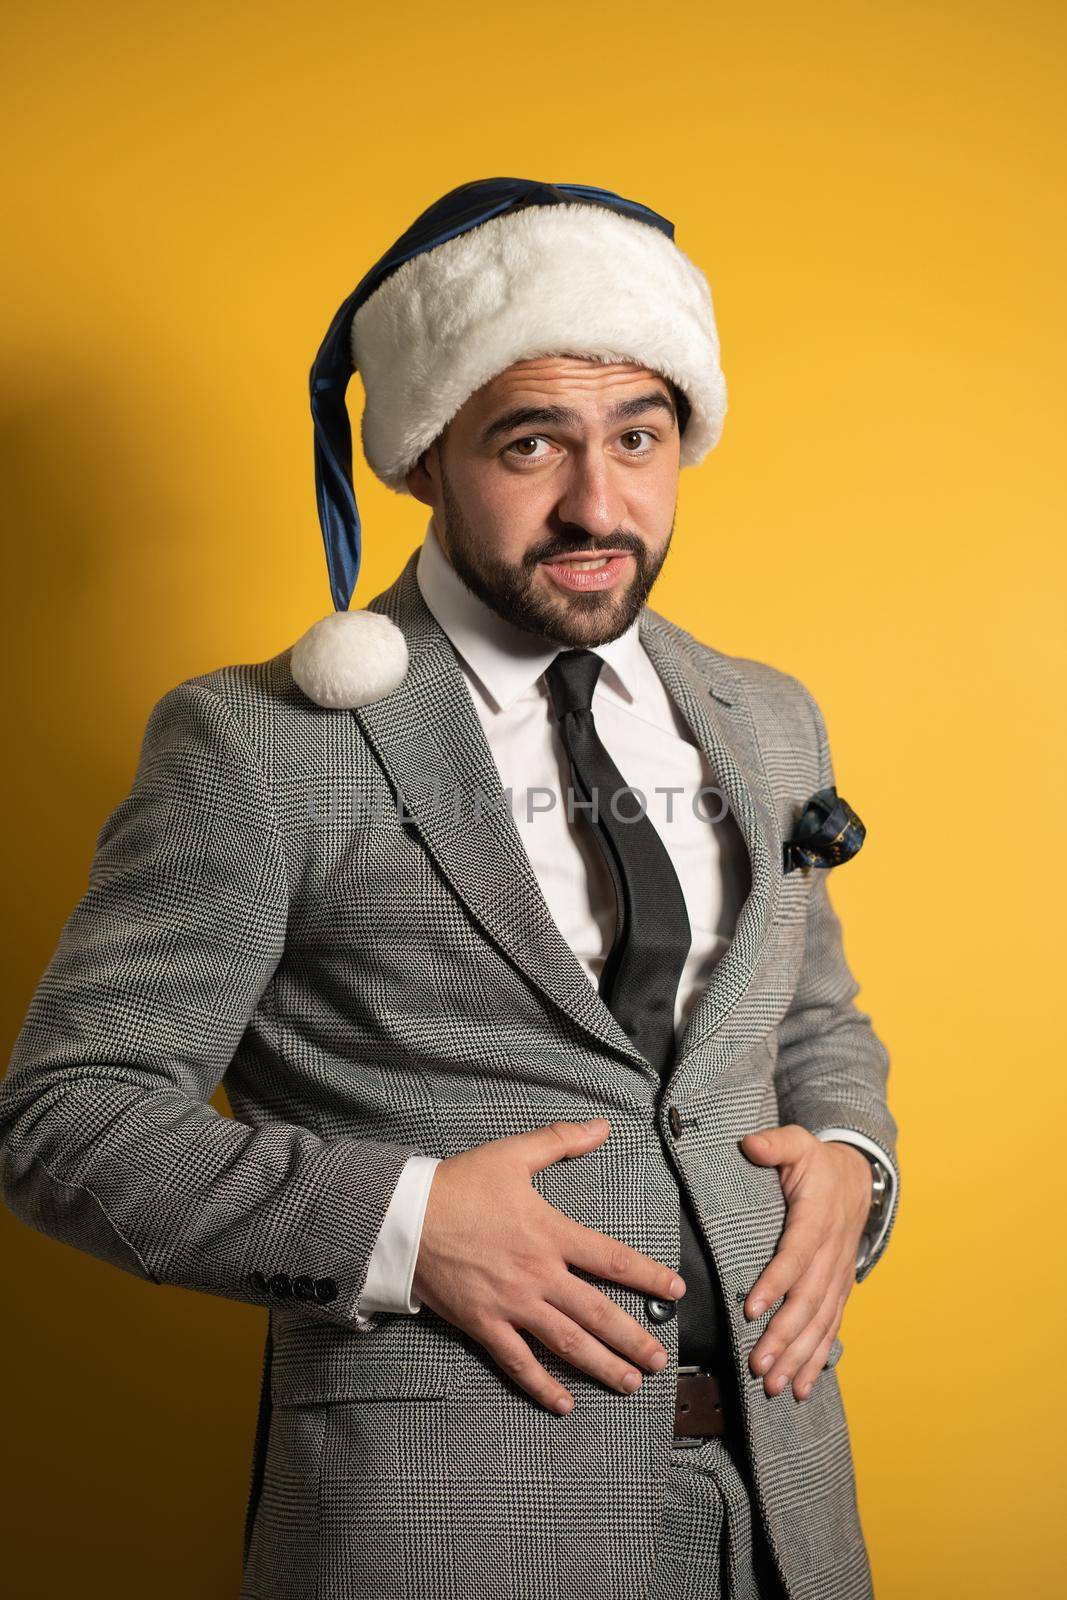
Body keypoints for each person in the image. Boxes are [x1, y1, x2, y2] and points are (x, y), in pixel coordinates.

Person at [0, 177, 900, 1600]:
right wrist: (405, 1226)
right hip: (437, 1536)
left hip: (781, 1520)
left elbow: (811, 1020)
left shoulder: (765, 716)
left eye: (639, 437)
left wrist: (855, 1161)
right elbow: (67, 1121)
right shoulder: (261, 742)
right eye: (531, 443)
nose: (598, 503)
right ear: (422, 458)